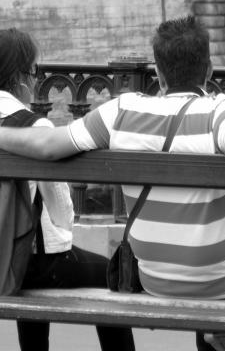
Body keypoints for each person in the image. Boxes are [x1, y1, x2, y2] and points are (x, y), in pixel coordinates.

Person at [0, 17, 225, 351]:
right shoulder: (221, 109)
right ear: (209, 71)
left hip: (156, 278)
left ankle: (222, 335)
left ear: (158, 72)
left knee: (216, 266)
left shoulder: (120, 110)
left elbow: (46, 146)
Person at [0, 28, 135, 351]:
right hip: (19, 262)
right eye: (34, 72)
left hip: (8, 258)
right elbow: (60, 217)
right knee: (109, 273)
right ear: (20, 76)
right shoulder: (35, 128)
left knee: (29, 254)